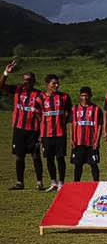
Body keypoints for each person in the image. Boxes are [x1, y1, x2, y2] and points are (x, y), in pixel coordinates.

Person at [1, 61, 43, 190]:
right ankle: (20, 182)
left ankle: (39, 183)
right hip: (19, 129)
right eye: (24, 80)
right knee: (19, 156)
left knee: (35, 155)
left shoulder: (39, 95)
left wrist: (41, 133)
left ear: (33, 81)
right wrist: (6, 73)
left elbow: (42, 116)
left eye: (29, 80)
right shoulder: (18, 90)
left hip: (33, 130)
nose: (26, 82)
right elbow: (1, 86)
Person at [37, 74, 72, 190]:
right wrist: (41, 131)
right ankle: (53, 182)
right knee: (49, 158)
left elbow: (69, 112)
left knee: (60, 158)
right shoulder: (40, 99)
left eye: (57, 83)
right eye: (54, 83)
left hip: (60, 133)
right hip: (46, 134)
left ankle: (61, 182)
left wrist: (63, 123)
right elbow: (38, 115)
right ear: (47, 85)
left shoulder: (64, 97)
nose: (56, 85)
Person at [70, 86, 102, 182]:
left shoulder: (96, 109)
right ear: (80, 96)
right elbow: (72, 125)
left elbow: (100, 125)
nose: (85, 98)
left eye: (86, 96)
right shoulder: (75, 109)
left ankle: (96, 183)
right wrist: (71, 139)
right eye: (83, 96)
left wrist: (97, 140)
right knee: (78, 164)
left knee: (94, 164)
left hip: (91, 142)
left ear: (90, 96)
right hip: (78, 142)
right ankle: (76, 183)